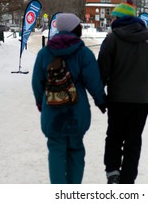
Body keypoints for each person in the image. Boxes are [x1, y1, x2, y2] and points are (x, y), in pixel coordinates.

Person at [32, 13, 107, 184]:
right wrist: (100, 100)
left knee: (56, 151)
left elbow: (37, 82)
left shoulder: (44, 53)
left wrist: (40, 102)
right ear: (74, 29)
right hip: (77, 112)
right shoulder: (83, 53)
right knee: (75, 150)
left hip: (52, 111)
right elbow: (94, 81)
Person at [98, 0, 148, 184]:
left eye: (113, 17)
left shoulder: (112, 39)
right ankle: (128, 180)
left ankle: (113, 173)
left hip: (117, 100)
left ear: (119, 18)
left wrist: (100, 97)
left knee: (114, 137)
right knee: (133, 141)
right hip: (141, 102)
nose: (111, 21)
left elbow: (102, 70)